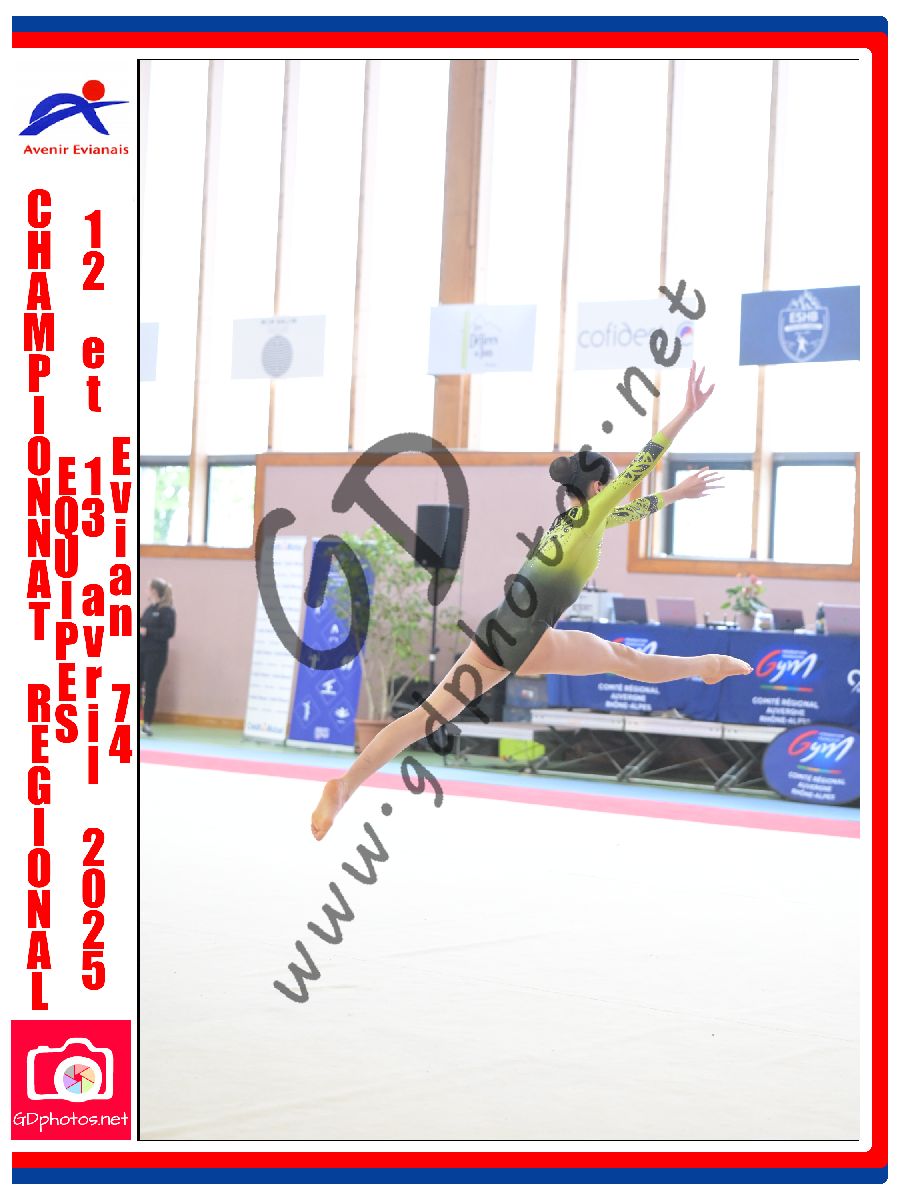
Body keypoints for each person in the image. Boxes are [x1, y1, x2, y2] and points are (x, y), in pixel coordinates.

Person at [311, 363, 751, 839]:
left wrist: (676, 494)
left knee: (427, 717)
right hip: (531, 635)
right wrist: (686, 412)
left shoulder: (572, 522)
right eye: (610, 486)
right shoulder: (590, 517)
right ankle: (707, 665)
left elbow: (630, 509)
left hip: (497, 629)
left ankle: (345, 785)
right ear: (598, 489)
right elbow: (641, 465)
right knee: (627, 660)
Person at [140, 578, 176, 736]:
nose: (146, 591)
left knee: (150, 688)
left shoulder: (167, 610)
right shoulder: (149, 609)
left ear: (154, 591)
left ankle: (147, 724)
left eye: (148, 588)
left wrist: (148, 632)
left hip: (156, 655)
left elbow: (168, 632)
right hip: (142, 652)